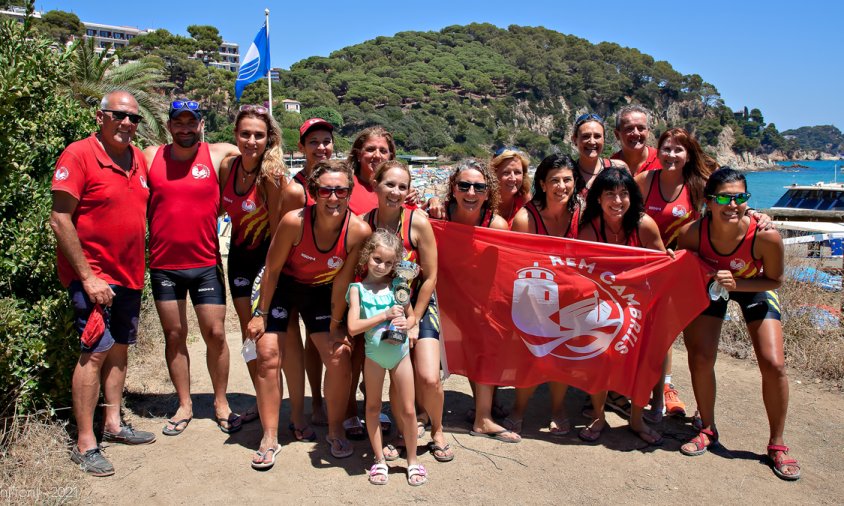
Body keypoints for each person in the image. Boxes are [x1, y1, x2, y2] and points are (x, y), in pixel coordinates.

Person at [51, 90, 155, 476]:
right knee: (94, 352)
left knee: (119, 350)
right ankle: (85, 442)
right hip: (93, 278)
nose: (127, 124)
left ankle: (113, 425)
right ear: (100, 116)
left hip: (128, 276)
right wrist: (88, 277)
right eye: (119, 115)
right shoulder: (79, 154)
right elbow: (60, 218)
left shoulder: (137, 159)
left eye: (134, 118)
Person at [677, 167, 800, 481]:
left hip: (754, 286)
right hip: (712, 289)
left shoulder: (765, 236)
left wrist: (736, 284)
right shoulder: (693, 233)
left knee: (774, 364)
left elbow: (775, 280)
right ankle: (707, 427)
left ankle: (777, 444)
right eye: (724, 198)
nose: (733, 205)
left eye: (740, 198)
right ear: (709, 201)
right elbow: (682, 269)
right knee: (701, 357)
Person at [247, 160, 371, 467]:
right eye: (326, 190)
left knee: (339, 355)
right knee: (267, 353)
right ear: (314, 192)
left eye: (340, 190)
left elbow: (343, 279)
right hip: (281, 286)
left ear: (349, 192)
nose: (333, 197)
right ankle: (270, 435)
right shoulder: (294, 221)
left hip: (319, 289)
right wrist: (260, 313)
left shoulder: (358, 230)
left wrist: (337, 325)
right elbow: (272, 271)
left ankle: (334, 429)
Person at [143, 100, 241, 436]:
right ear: (169, 126)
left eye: (192, 122)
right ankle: (184, 404)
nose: (185, 128)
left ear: (201, 124)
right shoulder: (150, 156)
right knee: (175, 334)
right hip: (164, 265)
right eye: (179, 123)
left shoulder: (217, 154)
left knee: (215, 334)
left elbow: (256, 152)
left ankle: (221, 402)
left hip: (205, 263)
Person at [361, 161, 449, 462]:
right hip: (383, 311)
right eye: (389, 185)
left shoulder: (417, 222)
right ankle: (401, 433)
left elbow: (431, 277)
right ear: (375, 185)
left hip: (420, 305)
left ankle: (437, 429)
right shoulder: (364, 224)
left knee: (427, 376)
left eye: (402, 186)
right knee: (397, 375)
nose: (396, 192)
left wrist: (413, 322)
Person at [577, 167, 666, 445]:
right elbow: (583, 272)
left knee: (643, 362)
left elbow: (661, 263)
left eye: (624, 194)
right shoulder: (590, 228)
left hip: (641, 302)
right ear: (598, 199)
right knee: (599, 354)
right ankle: (598, 415)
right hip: (603, 301)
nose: (617, 201)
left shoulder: (644, 224)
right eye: (610, 194)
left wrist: (671, 257)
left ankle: (636, 419)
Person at [634, 127, 717, 418]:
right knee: (658, 335)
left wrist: (758, 216)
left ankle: (697, 408)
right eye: (666, 149)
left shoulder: (699, 185)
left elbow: (729, 208)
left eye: (678, 150)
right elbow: (620, 212)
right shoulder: (645, 181)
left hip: (686, 270)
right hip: (649, 270)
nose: (671, 155)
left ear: (688, 154)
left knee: (693, 344)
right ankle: (655, 399)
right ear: (658, 151)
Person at [436, 159, 520, 443]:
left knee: (486, 339)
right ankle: (425, 413)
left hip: (479, 299)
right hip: (442, 296)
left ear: (488, 192)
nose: (471, 193)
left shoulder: (495, 225)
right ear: (453, 188)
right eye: (464, 185)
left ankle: (483, 417)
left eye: (479, 187)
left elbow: (502, 272)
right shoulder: (438, 215)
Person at [218, 104, 287, 424]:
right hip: (238, 263)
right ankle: (262, 400)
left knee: (267, 341)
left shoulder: (270, 177)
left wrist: (271, 276)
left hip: (265, 264)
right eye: (245, 134)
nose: (251, 140)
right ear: (235, 136)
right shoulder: (227, 168)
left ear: (268, 139)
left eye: (258, 135)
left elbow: (276, 231)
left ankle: (274, 402)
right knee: (248, 336)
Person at [504, 154, 581, 436]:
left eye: (567, 180)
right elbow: (519, 263)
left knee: (562, 352)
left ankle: (558, 407)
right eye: (555, 181)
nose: (562, 186)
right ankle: (519, 407)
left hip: (571, 292)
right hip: (534, 292)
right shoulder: (527, 217)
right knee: (532, 350)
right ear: (542, 184)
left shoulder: (580, 213)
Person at [346, 230, 428, 486]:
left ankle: (412, 461)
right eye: (377, 260)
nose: (382, 266)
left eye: (389, 263)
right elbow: (353, 327)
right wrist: (384, 316)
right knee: (372, 408)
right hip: (373, 356)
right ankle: (379, 459)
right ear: (367, 257)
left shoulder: (398, 287)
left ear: (396, 264)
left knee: (407, 410)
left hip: (400, 355)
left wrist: (407, 322)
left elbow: (412, 316)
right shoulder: (358, 289)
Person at [572, 113, 628, 202]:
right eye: (586, 136)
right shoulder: (568, 175)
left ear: (604, 139)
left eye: (597, 136)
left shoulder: (618, 168)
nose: (592, 141)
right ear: (574, 140)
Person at [612, 105, 662, 176]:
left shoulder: (663, 160)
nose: (636, 133)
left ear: (648, 132)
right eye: (629, 128)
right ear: (617, 134)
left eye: (641, 128)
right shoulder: (610, 167)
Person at [490, 147, 531, 225]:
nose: (513, 178)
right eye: (506, 172)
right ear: (494, 174)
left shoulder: (524, 199)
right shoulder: (482, 199)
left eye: (517, 172)